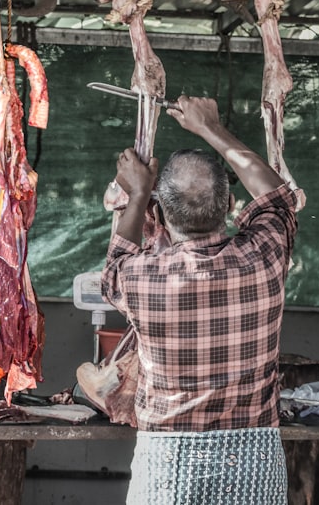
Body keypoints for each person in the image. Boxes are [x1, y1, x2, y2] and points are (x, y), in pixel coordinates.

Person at [101, 96, 298, 504]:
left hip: (166, 470)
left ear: (163, 215)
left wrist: (137, 195)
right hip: (254, 467)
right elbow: (277, 197)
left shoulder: (138, 278)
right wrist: (211, 128)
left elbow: (118, 256)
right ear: (229, 205)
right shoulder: (264, 256)